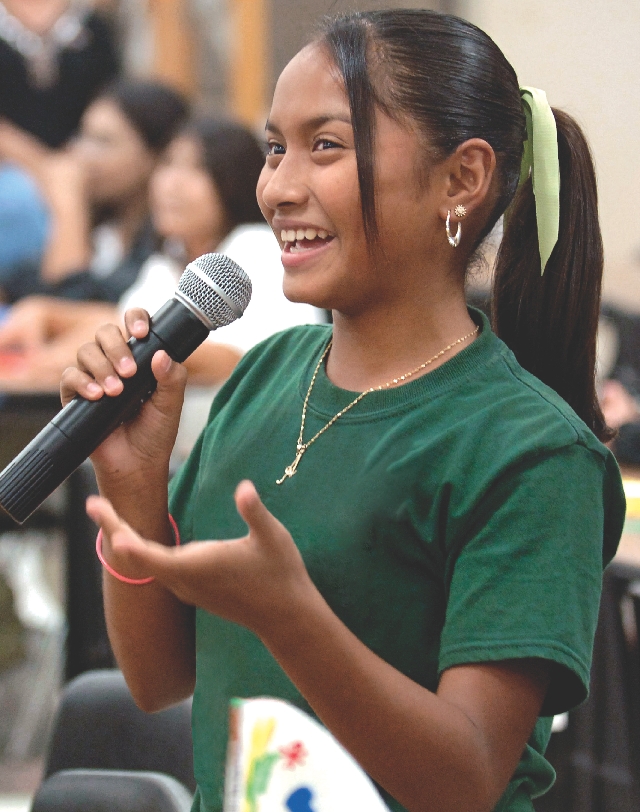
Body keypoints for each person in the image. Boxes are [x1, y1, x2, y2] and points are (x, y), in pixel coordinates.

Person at [66, 10, 624, 812]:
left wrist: (293, 619)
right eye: (273, 147)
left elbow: (465, 779)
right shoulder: (268, 375)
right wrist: (133, 489)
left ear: (461, 178)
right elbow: (159, 679)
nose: (277, 187)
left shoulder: (531, 451)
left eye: (325, 146)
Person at [0, 117, 323, 390]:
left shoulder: (258, 247)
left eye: (196, 169)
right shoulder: (166, 260)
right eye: (167, 165)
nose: (172, 184)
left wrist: (114, 348)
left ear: (234, 180)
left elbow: (247, 362)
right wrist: (47, 313)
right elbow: (125, 322)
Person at [0, 79, 188, 303]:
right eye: (83, 136)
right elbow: (23, 285)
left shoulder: (166, 243)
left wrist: (69, 205)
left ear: (154, 157)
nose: (81, 154)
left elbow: (70, 305)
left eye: (103, 142)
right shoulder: (105, 232)